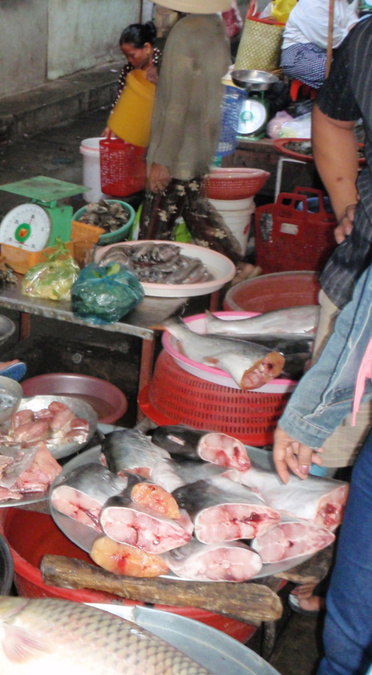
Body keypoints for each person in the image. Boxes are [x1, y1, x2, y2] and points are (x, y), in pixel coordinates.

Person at [272, 18, 372, 675]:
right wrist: (348, 204)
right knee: (331, 457)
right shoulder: (367, 42)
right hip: (361, 292)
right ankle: (322, 566)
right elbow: (332, 119)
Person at [138, 0, 253, 275]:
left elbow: (177, 105)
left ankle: (146, 285)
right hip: (200, 141)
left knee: (152, 234)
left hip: (177, 148)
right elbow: (197, 76)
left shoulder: (184, 32)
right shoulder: (214, 24)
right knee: (196, 211)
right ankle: (238, 266)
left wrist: (162, 160)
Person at [281, 0, 361, 90]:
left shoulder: (339, 2)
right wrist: (352, 33)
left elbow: (353, 23)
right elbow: (334, 40)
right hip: (298, 54)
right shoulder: (312, 4)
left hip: (328, 50)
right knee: (340, 73)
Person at [103, 22, 163, 136]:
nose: (130, 60)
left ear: (147, 48)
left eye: (132, 55)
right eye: (126, 56)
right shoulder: (128, 70)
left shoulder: (164, 65)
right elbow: (120, 101)